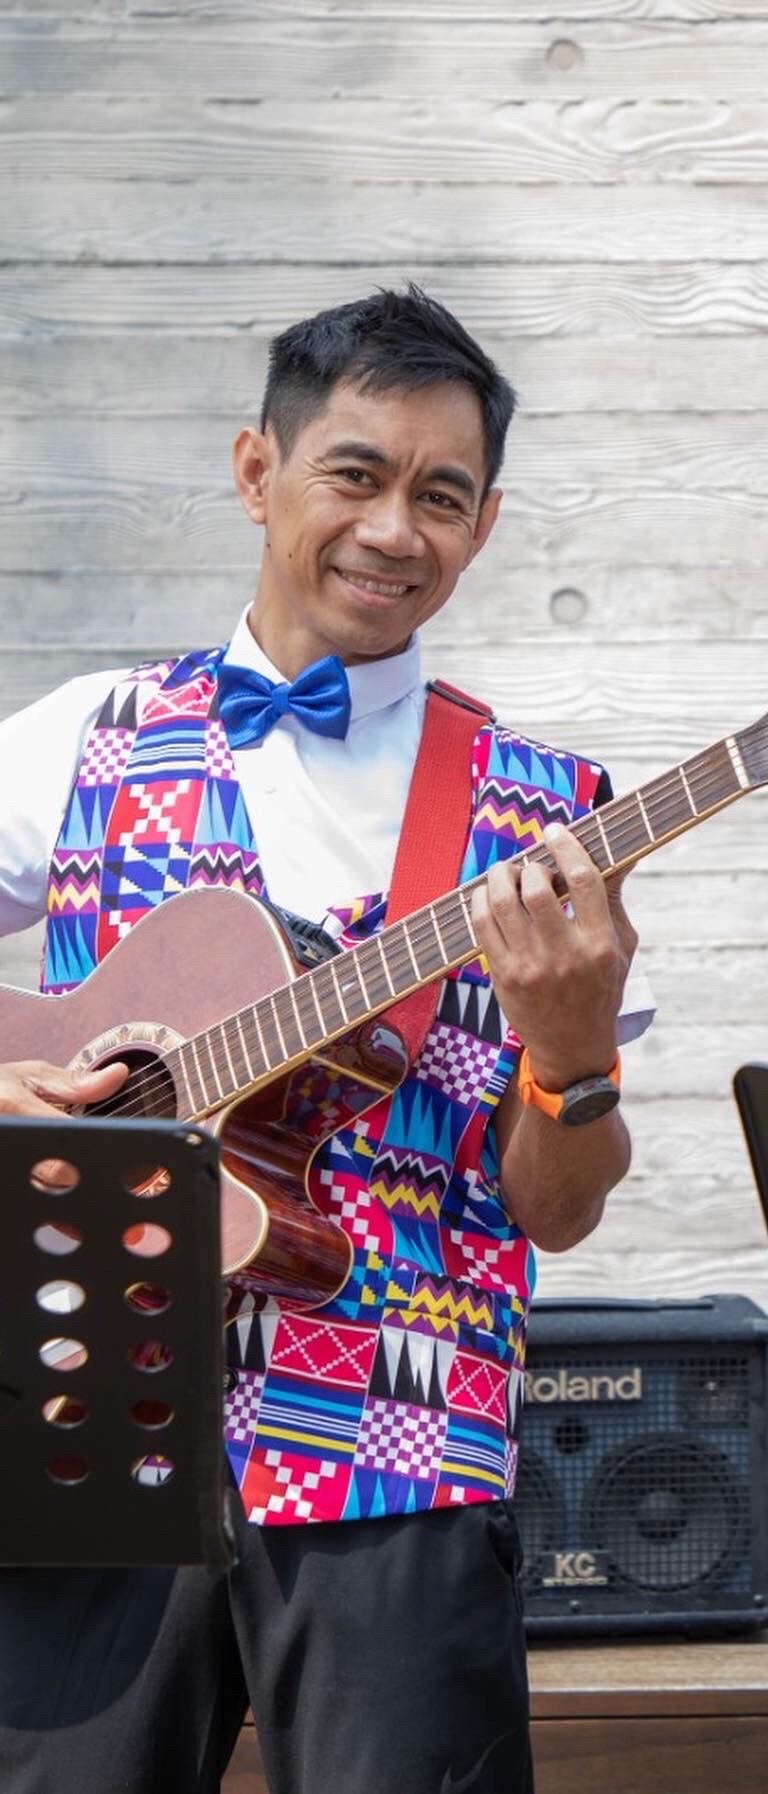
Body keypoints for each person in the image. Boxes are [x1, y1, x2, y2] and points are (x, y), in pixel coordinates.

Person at [0, 285, 653, 1793]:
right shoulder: (86, 737)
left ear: (484, 527)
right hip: (92, 1414)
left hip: (400, 1449)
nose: (394, 529)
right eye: (355, 474)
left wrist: (571, 1055)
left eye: (442, 495)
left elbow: (553, 1204)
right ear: (257, 473)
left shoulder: (550, 819)